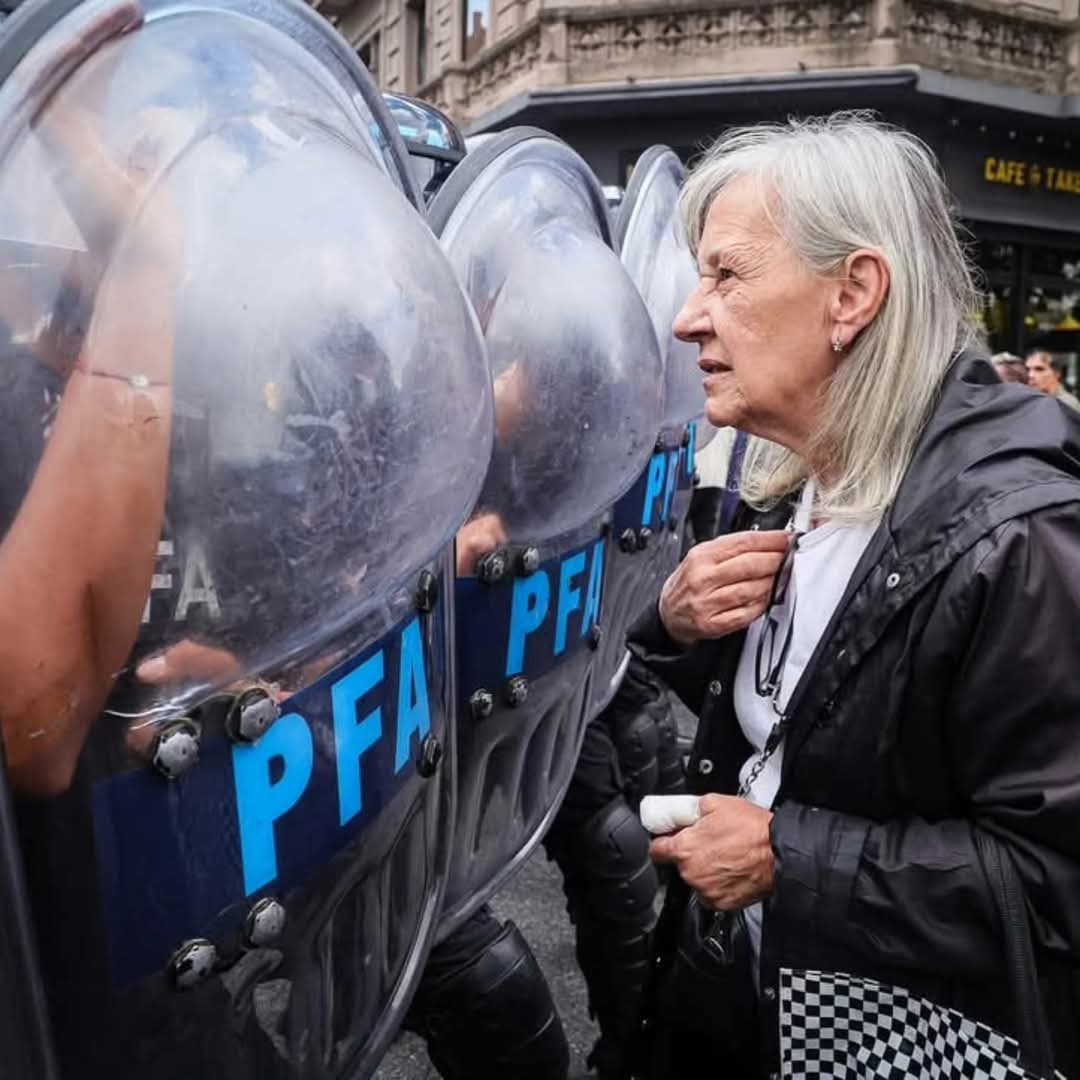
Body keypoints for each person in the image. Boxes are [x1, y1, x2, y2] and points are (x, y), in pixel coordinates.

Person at [626, 114, 1080, 1079]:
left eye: (728, 274)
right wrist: (676, 626)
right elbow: (824, 707)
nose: (687, 316)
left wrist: (791, 861)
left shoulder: (1024, 536)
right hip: (749, 1000)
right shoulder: (796, 478)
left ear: (853, 294)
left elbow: (1055, 881)